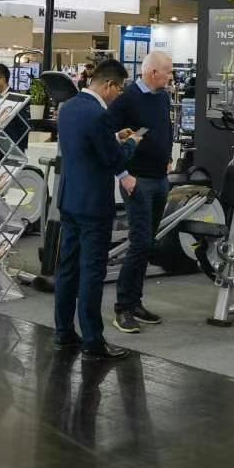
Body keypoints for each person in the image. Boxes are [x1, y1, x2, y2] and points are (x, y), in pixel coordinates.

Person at [53, 60, 140, 361]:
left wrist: (115, 138)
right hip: (93, 204)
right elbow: (111, 158)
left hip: (69, 199)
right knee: (92, 271)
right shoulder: (99, 114)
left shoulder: (68, 108)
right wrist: (131, 144)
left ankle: (63, 332)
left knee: (67, 268)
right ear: (109, 85)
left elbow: (87, 145)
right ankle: (93, 340)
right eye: (119, 89)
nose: (119, 95)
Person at [106, 51, 175, 334]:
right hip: (137, 181)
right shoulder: (127, 99)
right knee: (139, 243)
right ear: (153, 73)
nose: (171, 76)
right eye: (168, 72)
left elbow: (165, 129)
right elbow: (107, 138)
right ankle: (123, 307)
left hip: (159, 179)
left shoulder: (162, 97)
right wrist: (123, 174)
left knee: (148, 244)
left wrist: (168, 157)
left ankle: (135, 302)